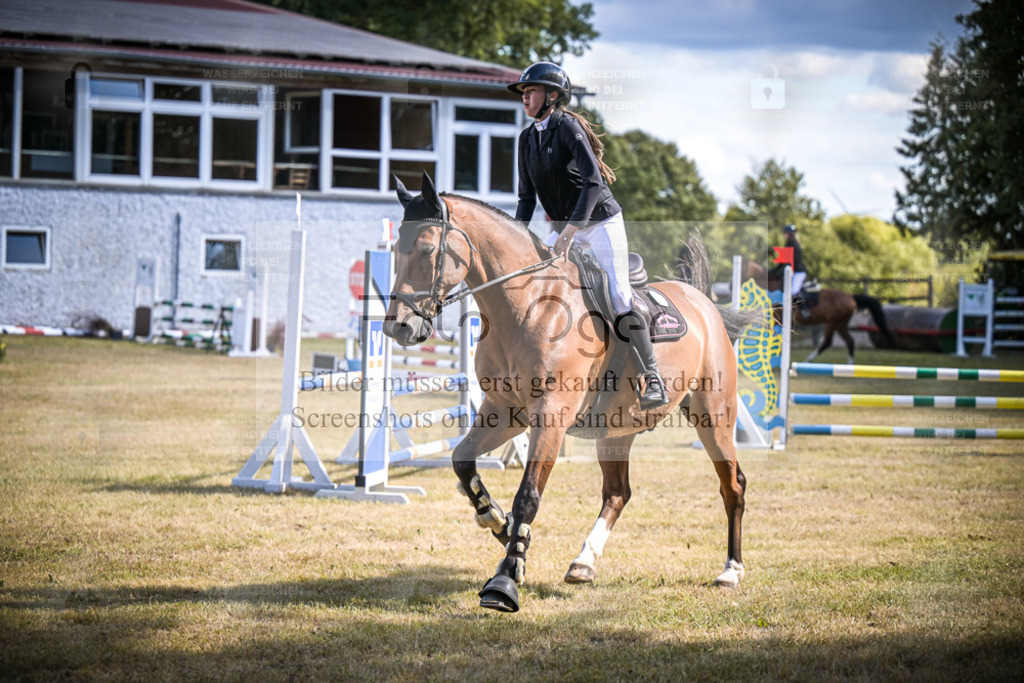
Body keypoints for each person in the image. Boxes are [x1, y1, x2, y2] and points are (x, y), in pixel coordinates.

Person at [508, 61, 667, 409]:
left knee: (620, 296)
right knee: (526, 277)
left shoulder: (567, 127)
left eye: (530, 91)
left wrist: (570, 230)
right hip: (566, 229)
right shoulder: (526, 139)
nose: (525, 97)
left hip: (599, 224)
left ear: (552, 96)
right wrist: (515, 239)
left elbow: (593, 183)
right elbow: (525, 199)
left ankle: (652, 376)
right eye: (523, 92)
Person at [783, 224, 810, 318]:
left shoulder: (795, 244)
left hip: (798, 272)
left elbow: (795, 261)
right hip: (792, 271)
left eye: (785, 233)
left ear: (790, 234)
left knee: (794, 291)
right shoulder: (788, 244)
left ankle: (805, 310)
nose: (784, 235)